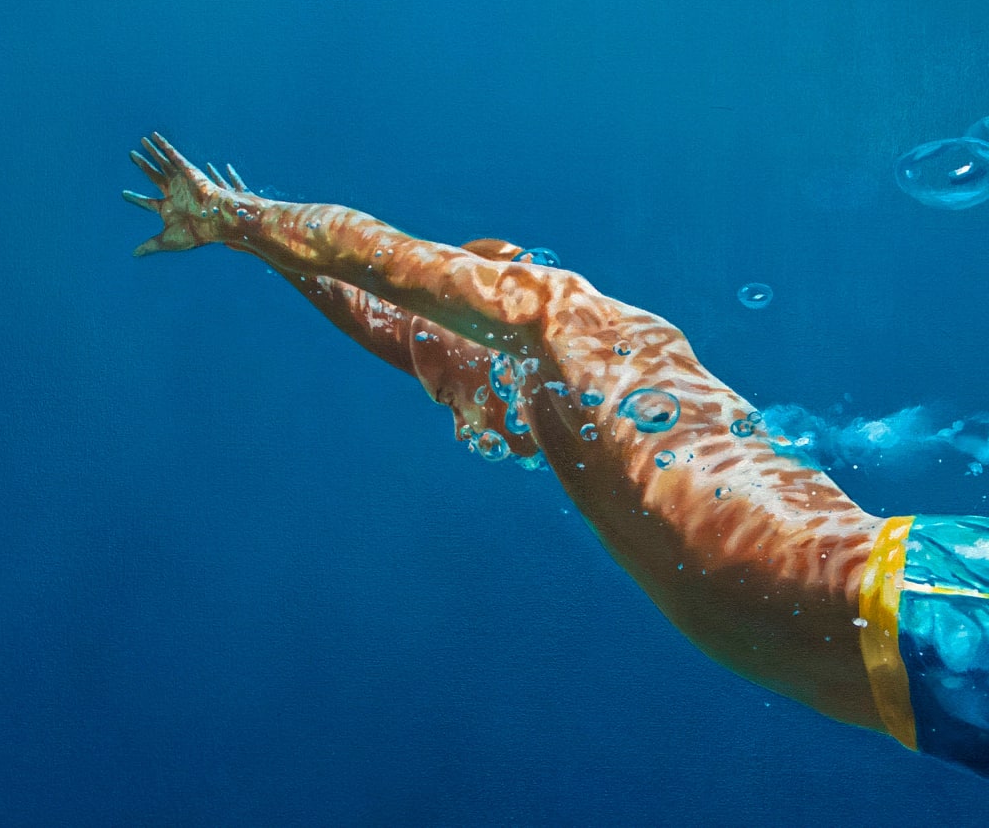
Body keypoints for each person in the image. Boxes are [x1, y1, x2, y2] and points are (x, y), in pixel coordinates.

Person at [123, 133, 989, 778]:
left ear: (492, 275)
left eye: (457, 318)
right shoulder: (572, 418)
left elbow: (398, 272)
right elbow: (397, 329)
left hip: (899, 600)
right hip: (910, 666)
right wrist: (262, 248)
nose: (443, 363)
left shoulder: (579, 321)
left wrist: (243, 216)